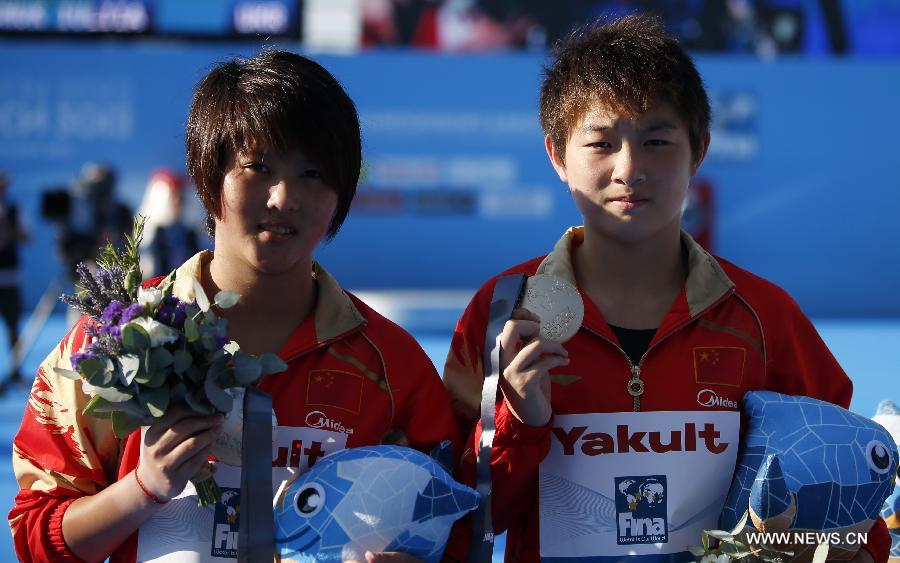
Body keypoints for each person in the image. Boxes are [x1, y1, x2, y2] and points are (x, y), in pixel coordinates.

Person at [442, 15, 890, 562]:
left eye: (656, 140)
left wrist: (842, 551)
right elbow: (461, 521)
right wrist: (519, 422)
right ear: (557, 155)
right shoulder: (503, 311)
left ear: (699, 149)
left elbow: (848, 500)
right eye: (601, 143)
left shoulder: (764, 317)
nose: (630, 168)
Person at [9, 50, 456, 563]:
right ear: (208, 173)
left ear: (342, 191)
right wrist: (143, 489)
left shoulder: (391, 367)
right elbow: (38, 539)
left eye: (313, 173)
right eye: (257, 167)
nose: (284, 197)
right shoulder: (112, 343)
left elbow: (451, 529)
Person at [137, 168, 202, 279]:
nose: (178, 202)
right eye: (173, 197)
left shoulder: (191, 233)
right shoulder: (152, 232)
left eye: (180, 198)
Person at [0, 171, 28, 386]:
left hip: (10, 277)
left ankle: (16, 369)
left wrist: (9, 229)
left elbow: (26, 236)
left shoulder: (13, 210)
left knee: (13, 326)